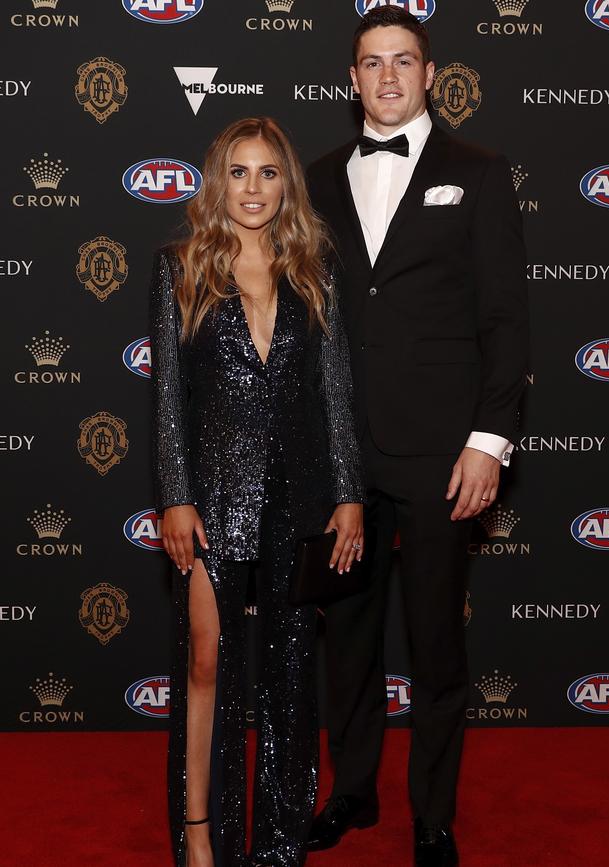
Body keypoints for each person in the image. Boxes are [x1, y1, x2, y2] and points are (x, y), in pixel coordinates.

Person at [307, 8, 528, 867]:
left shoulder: (480, 171)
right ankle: (352, 791)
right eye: (372, 64)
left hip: (442, 453)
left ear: (431, 75)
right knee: (349, 641)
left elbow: (507, 320)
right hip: (340, 454)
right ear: (352, 79)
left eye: (405, 61)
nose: (389, 77)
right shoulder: (319, 177)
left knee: (437, 646)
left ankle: (433, 817)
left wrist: (491, 439)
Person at [149, 116, 365, 867]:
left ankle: (278, 841)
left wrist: (349, 492)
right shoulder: (179, 266)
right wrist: (176, 496)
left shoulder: (314, 268)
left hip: (300, 499)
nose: (253, 187)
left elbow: (335, 389)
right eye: (238, 172)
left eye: (268, 172)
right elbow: (169, 399)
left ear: (287, 184)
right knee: (205, 661)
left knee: (289, 669)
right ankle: (200, 831)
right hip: (211, 496)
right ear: (219, 181)